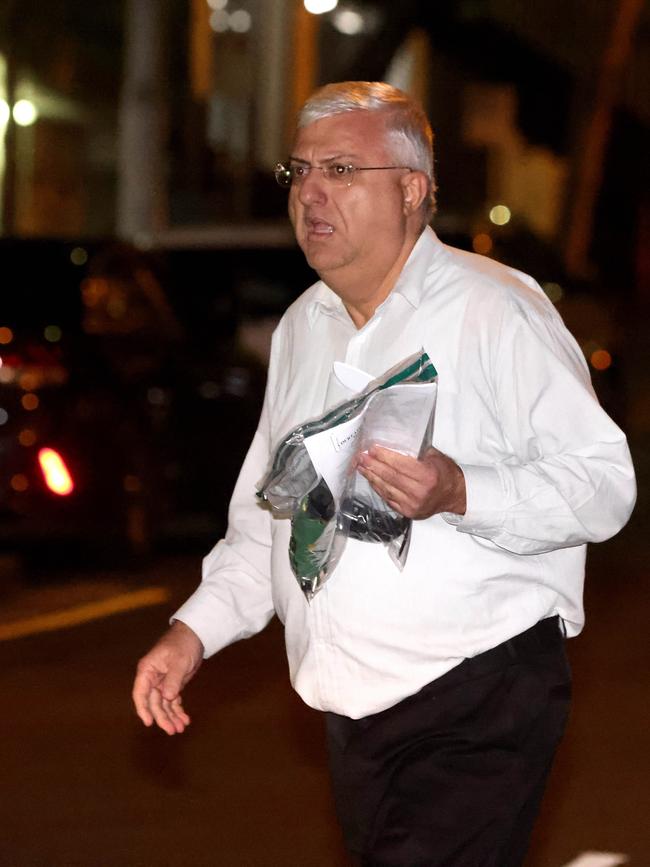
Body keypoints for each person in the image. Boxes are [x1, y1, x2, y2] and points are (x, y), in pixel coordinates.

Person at [132, 82, 636, 866]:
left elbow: (604, 482)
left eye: (339, 169)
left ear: (412, 191)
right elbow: (271, 517)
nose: (311, 194)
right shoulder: (304, 327)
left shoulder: (495, 309)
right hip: (354, 712)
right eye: (298, 173)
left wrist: (460, 490)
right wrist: (192, 632)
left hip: (480, 693)